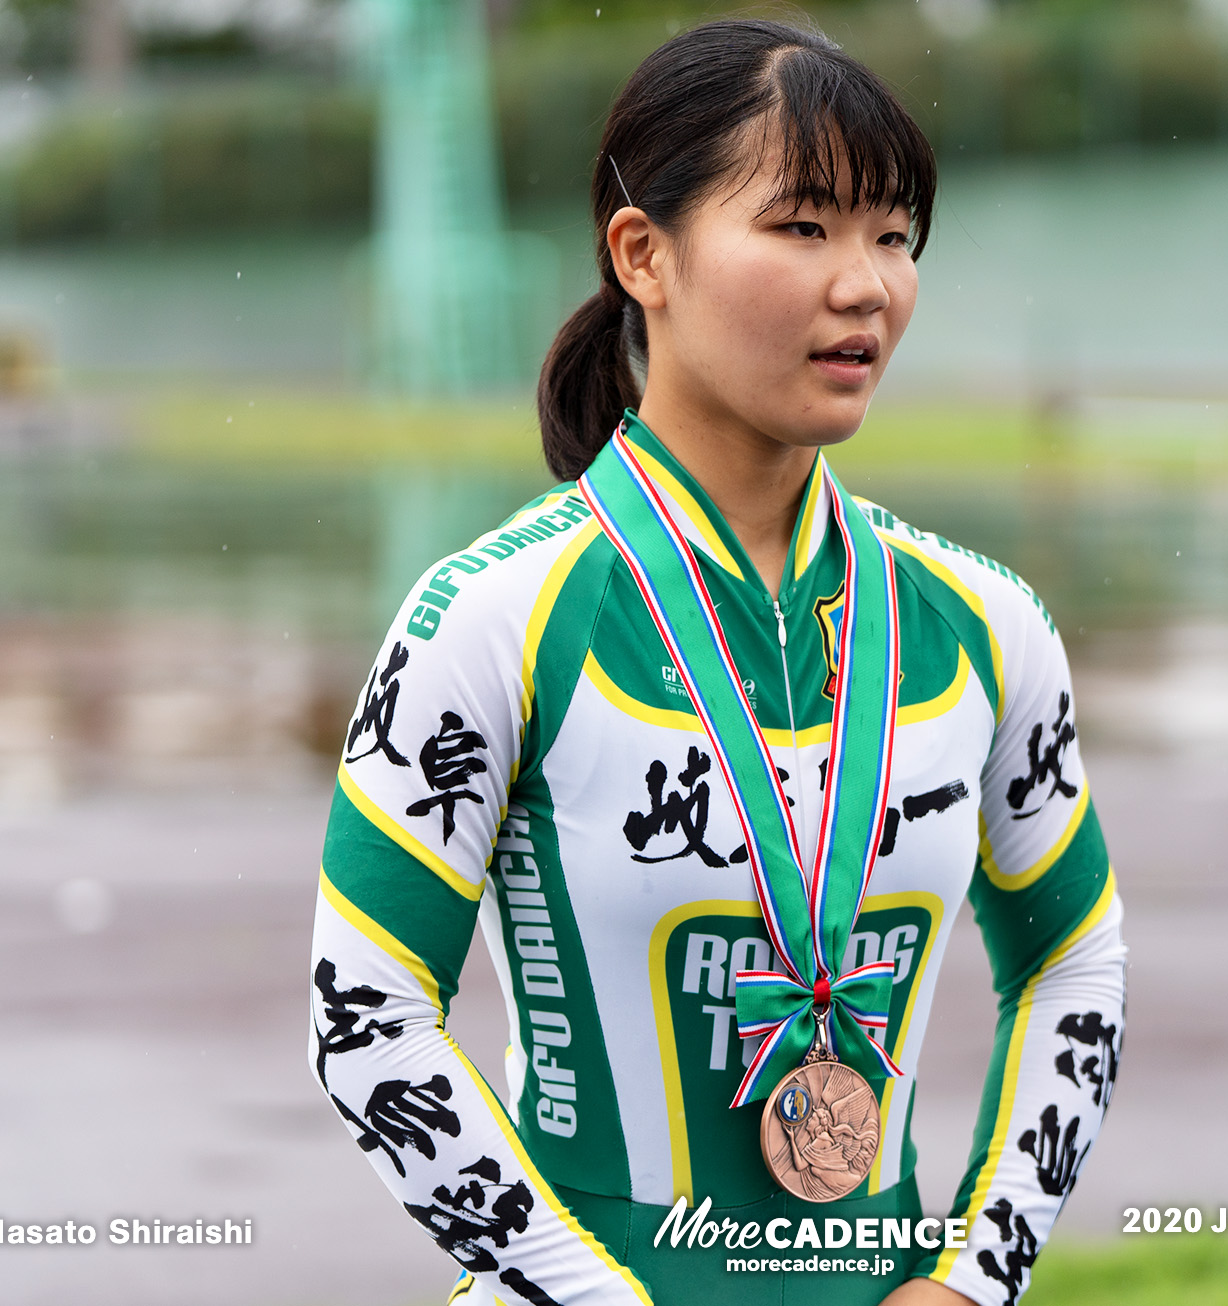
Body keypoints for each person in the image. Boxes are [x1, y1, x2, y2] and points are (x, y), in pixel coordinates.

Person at [309, 18, 1125, 1306]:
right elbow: (365, 1005)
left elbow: (1073, 958)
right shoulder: (491, 615)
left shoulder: (986, 623)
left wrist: (978, 1277)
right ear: (646, 255)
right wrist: (577, 1292)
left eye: (894, 236)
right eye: (803, 227)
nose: (865, 284)